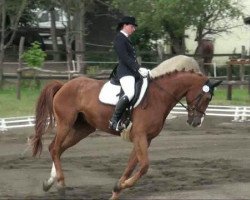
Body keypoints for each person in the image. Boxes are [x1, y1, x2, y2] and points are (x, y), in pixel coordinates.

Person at [109, 16, 149, 131]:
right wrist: (138, 67)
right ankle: (114, 121)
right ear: (125, 25)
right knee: (130, 93)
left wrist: (140, 69)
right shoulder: (119, 38)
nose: (133, 29)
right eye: (132, 26)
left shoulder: (126, 39)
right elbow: (124, 57)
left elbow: (131, 58)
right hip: (125, 72)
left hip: (132, 71)